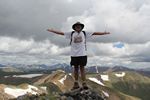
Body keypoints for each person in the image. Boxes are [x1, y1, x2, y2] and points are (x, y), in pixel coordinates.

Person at [47, 22, 110, 90]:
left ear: (81, 27)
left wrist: (104, 33)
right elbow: (61, 33)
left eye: (79, 26)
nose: (78, 27)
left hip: (82, 54)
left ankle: (84, 83)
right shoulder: (71, 33)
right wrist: (53, 31)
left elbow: (95, 33)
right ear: (74, 27)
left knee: (82, 68)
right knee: (76, 69)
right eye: (76, 26)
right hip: (74, 54)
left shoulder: (85, 33)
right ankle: (76, 83)